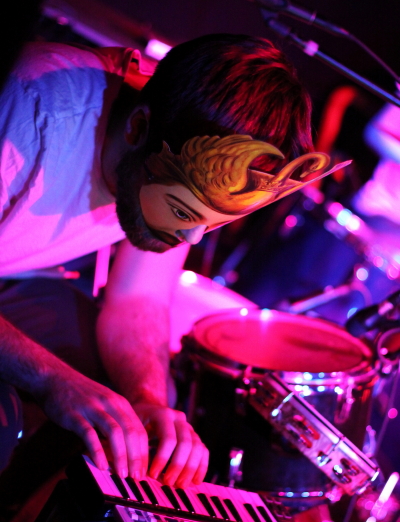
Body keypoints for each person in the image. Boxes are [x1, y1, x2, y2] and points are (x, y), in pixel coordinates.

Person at [0, 34, 342, 489]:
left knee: (137, 414)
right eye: (184, 213)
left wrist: (147, 402)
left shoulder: (184, 159)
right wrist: (52, 379)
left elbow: (138, 299)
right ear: (138, 128)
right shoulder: (32, 106)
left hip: (17, 279)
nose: (193, 237)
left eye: (212, 223)